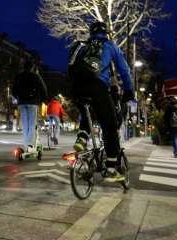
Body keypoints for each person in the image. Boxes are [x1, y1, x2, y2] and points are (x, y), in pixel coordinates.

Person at [68, 21, 134, 182]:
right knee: (109, 124)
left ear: (91, 33)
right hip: (97, 86)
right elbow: (124, 70)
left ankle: (82, 137)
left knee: (87, 110)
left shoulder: (82, 46)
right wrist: (129, 91)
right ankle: (111, 167)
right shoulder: (110, 46)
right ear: (106, 33)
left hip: (76, 87)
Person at [12, 60, 47, 153]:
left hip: (22, 102)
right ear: (32, 67)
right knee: (32, 124)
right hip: (33, 102)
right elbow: (43, 89)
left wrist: (19, 97)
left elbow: (14, 90)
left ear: (24, 67)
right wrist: (41, 100)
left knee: (25, 124)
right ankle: (30, 145)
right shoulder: (36, 76)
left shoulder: (19, 76)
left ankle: (26, 144)